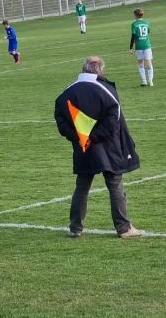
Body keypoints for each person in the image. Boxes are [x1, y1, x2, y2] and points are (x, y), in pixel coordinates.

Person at [54, 56, 144, 239]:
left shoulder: (66, 93)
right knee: (115, 184)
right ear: (100, 70)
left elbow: (61, 121)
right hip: (107, 147)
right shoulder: (106, 89)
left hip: (83, 147)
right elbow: (114, 121)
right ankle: (124, 228)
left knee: (82, 186)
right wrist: (93, 137)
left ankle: (75, 227)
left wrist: (80, 139)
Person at [129, 8, 153, 87]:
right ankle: (150, 82)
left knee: (140, 63)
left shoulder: (134, 24)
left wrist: (130, 47)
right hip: (147, 45)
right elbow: (148, 32)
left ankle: (144, 81)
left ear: (135, 15)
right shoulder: (146, 22)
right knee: (149, 63)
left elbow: (133, 36)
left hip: (139, 46)